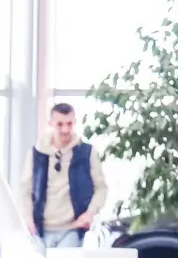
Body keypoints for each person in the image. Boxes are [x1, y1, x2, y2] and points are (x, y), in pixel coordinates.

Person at [17, 103, 109, 250]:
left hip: (72, 229)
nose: (65, 130)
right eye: (60, 124)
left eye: (69, 124)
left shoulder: (86, 152)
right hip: (40, 230)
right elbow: (25, 190)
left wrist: (90, 213)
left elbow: (101, 188)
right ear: (50, 123)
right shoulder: (36, 153)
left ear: (75, 122)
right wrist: (28, 220)